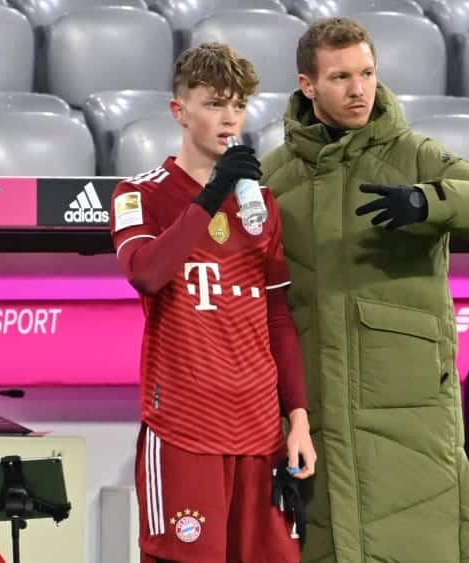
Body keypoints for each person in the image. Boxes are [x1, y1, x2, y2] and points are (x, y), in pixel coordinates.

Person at [260, 16, 469, 563]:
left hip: (411, 413)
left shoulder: (415, 154)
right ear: (308, 86)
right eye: (340, 77)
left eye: (367, 73)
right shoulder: (274, 177)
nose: (358, 89)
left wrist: (429, 202)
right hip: (312, 413)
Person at [109, 42, 316, 563]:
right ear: (179, 111)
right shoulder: (139, 194)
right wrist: (210, 193)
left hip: (261, 432)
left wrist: (298, 419)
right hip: (185, 429)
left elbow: (278, 318)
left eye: (239, 105)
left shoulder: (260, 205)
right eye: (214, 104)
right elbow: (147, 273)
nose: (229, 119)